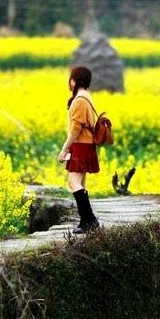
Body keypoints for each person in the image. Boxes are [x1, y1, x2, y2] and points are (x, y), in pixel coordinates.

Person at [58, 66, 100, 234]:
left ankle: (89, 220)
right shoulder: (84, 97)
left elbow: (75, 129)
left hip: (81, 145)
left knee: (73, 182)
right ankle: (87, 220)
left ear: (74, 80)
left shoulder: (80, 100)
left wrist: (64, 149)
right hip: (84, 145)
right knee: (80, 183)